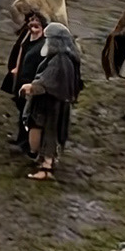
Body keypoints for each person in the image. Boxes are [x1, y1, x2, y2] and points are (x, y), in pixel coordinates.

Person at [19, 22, 83, 180]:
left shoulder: (59, 60)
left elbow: (48, 82)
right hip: (55, 102)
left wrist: (31, 87)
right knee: (46, 133)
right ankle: (44, 161)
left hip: (52, 105)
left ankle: (46, 169)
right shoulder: (66, 57)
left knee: (49, 135)